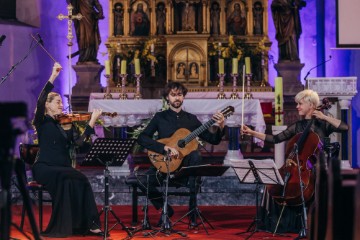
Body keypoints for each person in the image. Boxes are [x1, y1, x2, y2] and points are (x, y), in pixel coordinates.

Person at [241, 89, 348, 233]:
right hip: (298, 169)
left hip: (316, 169)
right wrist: (252, 132)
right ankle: (281, 224)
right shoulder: (297, 126)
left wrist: (325, 117)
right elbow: (276, 139)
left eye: (300, 104)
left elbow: (344, 127)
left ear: (311, 105)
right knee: (273, 184)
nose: (297, 106)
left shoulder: (323, 124)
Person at [137, 82, 226, 227]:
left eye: (179, 94)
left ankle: (192, 213)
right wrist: (164, 147)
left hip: (184, 170)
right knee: (141, 180)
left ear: (183, 97)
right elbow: (142, 138)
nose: (176, 98)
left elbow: (213, 140)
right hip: (164, 165)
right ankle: (165, 208)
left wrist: (221, 125)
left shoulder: (191, 119)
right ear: (167, 97)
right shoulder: (160, 117)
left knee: (196, 156)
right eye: (173, 95)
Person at [32, 62, 104, 237]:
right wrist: (53, 75)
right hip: (44, 167)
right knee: (71, 178)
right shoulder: (42, 121)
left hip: (63, 168)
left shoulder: (65, 123)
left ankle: (86, 225)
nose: (61, 105)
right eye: (57, 103)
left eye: (61, 103)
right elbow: (40, 99)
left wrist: (91, 122)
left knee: (78, 180)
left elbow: (78, 144)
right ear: (48, 106)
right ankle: (68, 226)